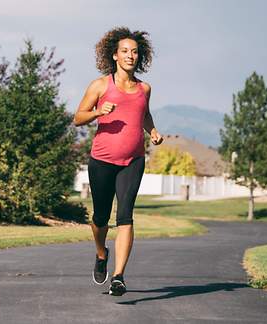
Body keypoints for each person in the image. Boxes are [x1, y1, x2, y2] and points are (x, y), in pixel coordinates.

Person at [73, 27, 163, 296]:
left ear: (140, 56)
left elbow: (144, 115)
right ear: (114, 55)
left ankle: (119, 276)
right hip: (101, 161)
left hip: (133, 161)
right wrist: (100, 111)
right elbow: (78, 117)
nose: (130, 55)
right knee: (100, 217)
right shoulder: (101, 85)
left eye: (134, 51)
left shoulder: (144, 88)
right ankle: (101, 254)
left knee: (125, 216)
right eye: (124, 51)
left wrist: (154, 131)